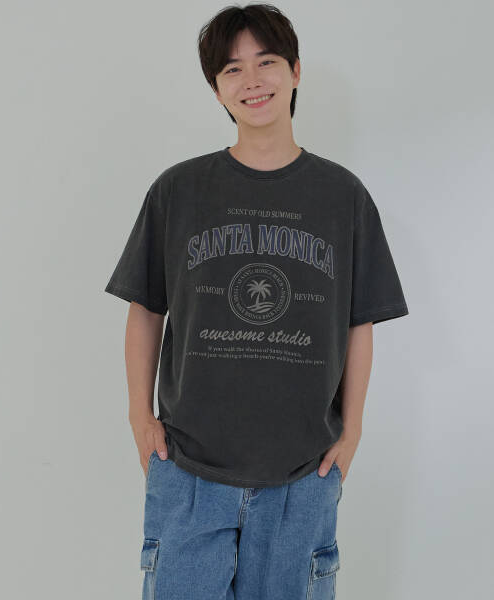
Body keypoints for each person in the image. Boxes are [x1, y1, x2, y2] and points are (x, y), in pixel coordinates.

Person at [104, 4, 409, 599]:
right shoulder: (179, 190)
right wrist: (139, 416)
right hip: (189, 468)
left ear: (294, 71)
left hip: (303, 472)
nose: (252, 81)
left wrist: (352, 431)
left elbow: (359, 322)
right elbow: (145, 308)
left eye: (265, 62)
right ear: (216, 88)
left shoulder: (343, 196)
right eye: (232, 69)